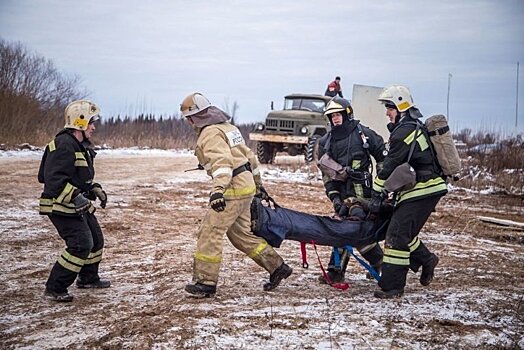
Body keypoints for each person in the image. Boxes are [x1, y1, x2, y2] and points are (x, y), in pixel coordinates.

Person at [180, 92, 292, 298]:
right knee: (240, 235)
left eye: (189, 118)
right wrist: (258, 186)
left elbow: (222, 163)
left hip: (231, 189)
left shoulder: (210, 133)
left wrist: (217, 191)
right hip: (246, 186)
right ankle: (277, 267)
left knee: (210, 232)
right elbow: (250, 158)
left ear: (196, 117)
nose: (188, 122)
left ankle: (205, 283)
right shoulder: (229, 128)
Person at [372, 84, 448, 299]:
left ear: (401, 106)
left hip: (424, 189)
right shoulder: (411, 128)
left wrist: (376, 193)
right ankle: (426, 259)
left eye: (390, 107)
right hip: (422, 189)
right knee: (403, 232)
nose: (387, 112)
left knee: (396, 235)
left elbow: (389, 166)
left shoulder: (405, 132)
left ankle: (392, 287)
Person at [38, 100, 110, 302]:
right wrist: (76, 196)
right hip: (60, 205)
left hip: (76, 205)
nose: (94, 127)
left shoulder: (79, 146)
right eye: (91, 122)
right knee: (81, 244)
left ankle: (88, 278)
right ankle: (55, 288)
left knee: (96, 240)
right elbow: (53, 180)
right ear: (80, 122)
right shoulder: (63, 145)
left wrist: (93, 188)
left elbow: (78, 177)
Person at [317, 97, 387, 283]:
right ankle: (377, 260)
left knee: (349, 228)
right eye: (332, 116)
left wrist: (382, 187)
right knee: (350, 230)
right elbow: (326, 175)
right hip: (341, 193)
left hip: (362, 194)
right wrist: (334, 197)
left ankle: (336, 271)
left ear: (347, 114)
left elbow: (383, 158)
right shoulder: (325, 142)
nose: (335, 119)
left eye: (338, 114)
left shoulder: (364, 135)